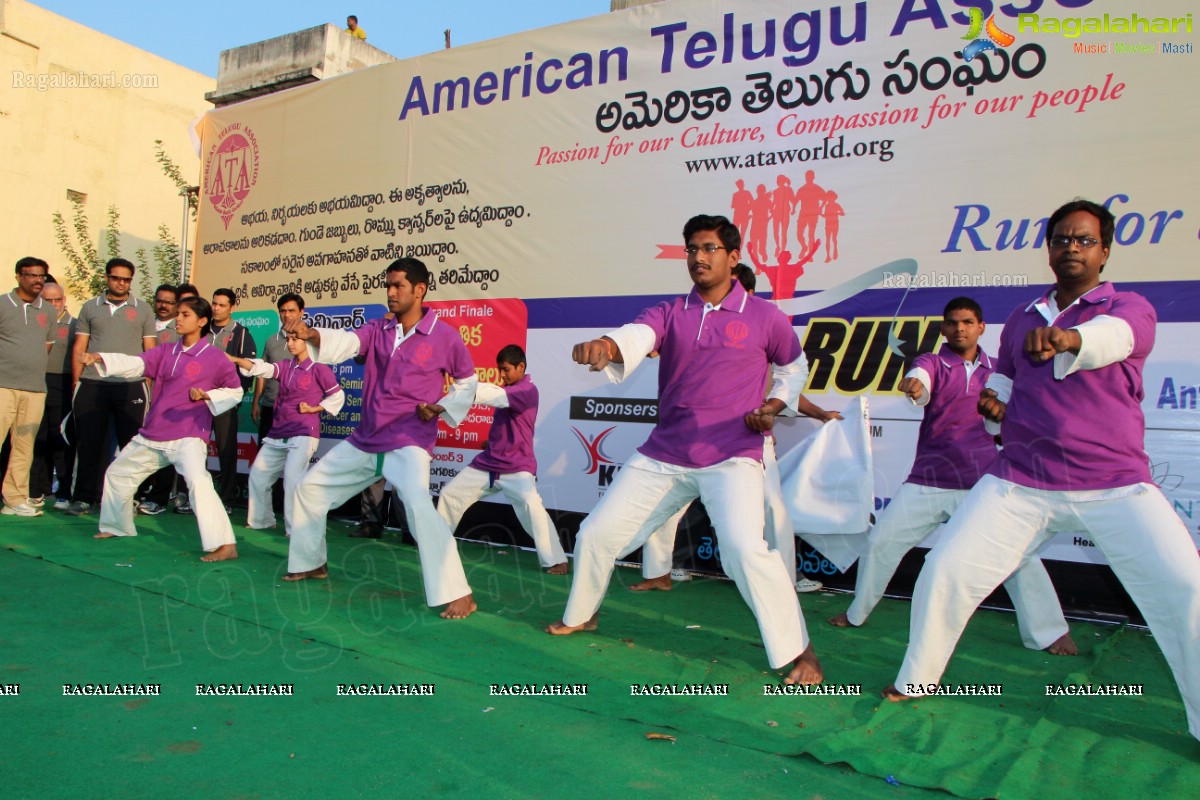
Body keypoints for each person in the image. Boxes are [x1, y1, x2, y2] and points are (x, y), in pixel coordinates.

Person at [883, 200, 1200, 742]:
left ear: (1104, 251)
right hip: (1021, 480)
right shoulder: (1024, 318)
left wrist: (1071, 339)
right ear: (1049, 249)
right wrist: (994, 403)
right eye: (1061, 240)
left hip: (1115, 484)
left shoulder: (1128, 306)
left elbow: (1120, 340)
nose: (1071, 248)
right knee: (945, 570)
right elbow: (1004, 380)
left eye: (1083, 240)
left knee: (1185, 590)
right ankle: (915, 681)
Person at [546, 215, 823, 685]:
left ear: (734, 257)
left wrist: (773, 404)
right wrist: (608, 344)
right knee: (596, 535)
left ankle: (801, 651)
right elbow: (638, 335)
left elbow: (794, 369)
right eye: (692, 249)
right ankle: (583, 613)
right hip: (665, 452)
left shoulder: (766, 317)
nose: (698, 257)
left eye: (710, 248)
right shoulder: (672, 311)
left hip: (733, 454)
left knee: (743, 550)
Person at [829, 297, 1076, 658]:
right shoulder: (932, 362)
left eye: (967, 322)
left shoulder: (998, 372)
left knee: (1019, 556)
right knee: (881, 542)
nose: (960, 328)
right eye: (953, 322)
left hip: (983, 484)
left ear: (980, 328)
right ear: (944, 328)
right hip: (928, 480)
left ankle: (1050, 632)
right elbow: (920, 378)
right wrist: (915, 385)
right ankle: (856, 614)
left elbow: (1006, 418)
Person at [281, 258, 479, 620]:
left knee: (419, 508)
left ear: (419, 290)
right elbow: (349, 341)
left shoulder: (444, 335)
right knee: (309, 489)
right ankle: (311, 563)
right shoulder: (380, 328)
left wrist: (439, 406)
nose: (390, 292)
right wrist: (312, 334)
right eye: (387, 285)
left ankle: (459, 593)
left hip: (408, 440)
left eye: (398, 286)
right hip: (367, 438)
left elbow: (467, 383)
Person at [632, 264, 838, 593]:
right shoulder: (695, 321)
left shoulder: (763, 328)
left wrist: (821, 413)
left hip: (748, 444)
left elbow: (786, 389)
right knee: (664, 506)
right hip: (688, 442)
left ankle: (785, 579)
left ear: (749, 293)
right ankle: (660, 571)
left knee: (772, 510)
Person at [84, 296, 241, 562]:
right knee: (118, 473)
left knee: (199, 484)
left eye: (186, 315)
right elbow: (137, 364)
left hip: (189, 435)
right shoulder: (167, 350)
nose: (178, 319)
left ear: (202, 321)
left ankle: (225, 544)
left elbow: (235, 391)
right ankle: (117, 525)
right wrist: (102, 357)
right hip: (154, 433)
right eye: (178, 313)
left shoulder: (215, 357)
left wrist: (207, 396)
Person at [431, 345, 568, 574]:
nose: (502, 375)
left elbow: (492, 394)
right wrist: (491, 443)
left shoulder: (527, 391)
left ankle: (557, 560)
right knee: (450, 495)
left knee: (532, 508)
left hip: (517, 467)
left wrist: (465, 387)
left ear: (521, 367)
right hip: (488, 463)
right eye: (499, 370)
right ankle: (436, 547)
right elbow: (506, 426)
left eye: (505, 370)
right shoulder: (510, 389)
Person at [65, 258, 156, 516]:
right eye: (116, 278)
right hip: (93, 383)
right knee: (89, 443)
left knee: (132, 446)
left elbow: (151, 351)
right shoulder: (90, 307)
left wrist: (147, 383)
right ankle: (83, 497)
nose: (121, 283)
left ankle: (128, 499)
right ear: (107, 277)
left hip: (131, 385)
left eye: (126, 279)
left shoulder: (143, 309)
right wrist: (77, 380)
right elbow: (80, 347)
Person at [230, 333, 344, 534]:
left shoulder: (319, 368)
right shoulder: (285, 366)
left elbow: (337, 396)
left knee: (292, 480)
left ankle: (296, 529)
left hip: (303, 433)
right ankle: (261, 520)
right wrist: (236, 360)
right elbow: (262, 368)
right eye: (288, 339)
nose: (289, 343)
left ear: (306, 341)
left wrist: (313, 409)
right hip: (278, 432)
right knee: (258, 476)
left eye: (294, 340)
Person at [0, 257, 55, 516]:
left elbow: (46, 346)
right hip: (3, 386)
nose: (37, 280)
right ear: (18, 276)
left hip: (35, 388)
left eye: (42, 276)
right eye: (32, 275)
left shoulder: (48, 310)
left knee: (24, 445)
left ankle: (15, 499)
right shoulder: (2, 304)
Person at [195, 288, 256, 514]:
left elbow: (249, 369)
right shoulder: (202, 330)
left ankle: (227, 499)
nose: (216, 308)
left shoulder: (240, 333)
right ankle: (192, 496)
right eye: (214, 304)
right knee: (193, 448)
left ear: (231, 308)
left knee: (226, 450)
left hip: (224, 401)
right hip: (198, 400)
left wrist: (234, 398)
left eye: (222, 305)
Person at [134, 283, 181, 515]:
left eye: (169, 302)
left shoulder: (180, 330)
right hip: (139, 394)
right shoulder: (143, 324)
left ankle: (159, 497)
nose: (163, 305)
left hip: (168, 399)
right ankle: (137, 493)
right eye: (160, 300)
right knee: (139, 445)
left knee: (165, 449)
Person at [30, 277, 76, 511]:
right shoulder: (33, 321)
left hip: (63, 383)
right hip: (36, 382)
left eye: (58, 299)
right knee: (37, 437)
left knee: (61, 438)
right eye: (48, 300)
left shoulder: (76, 325)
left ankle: (64, 491)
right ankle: (37, 490)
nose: (54, 304)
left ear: (64, 300)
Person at [254, 293, 304, 446]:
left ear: (301, 312)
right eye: (283, 311)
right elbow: (262, 373)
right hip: (270, 407)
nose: (286, 315)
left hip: (298, 410)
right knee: (264, 457)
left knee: (292, 459)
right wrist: (256, 402)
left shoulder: (311, 340)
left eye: (291, 310)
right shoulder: (271, 340)